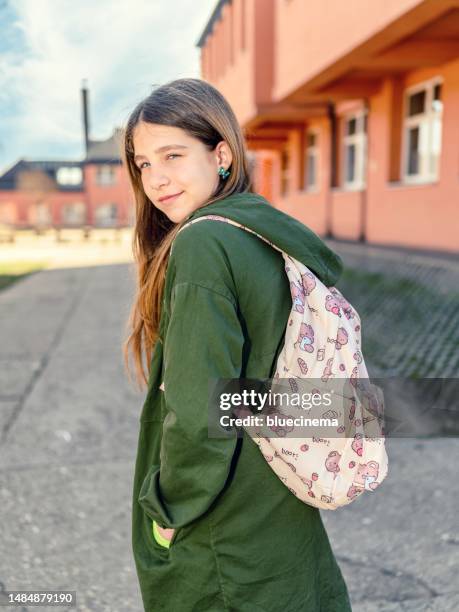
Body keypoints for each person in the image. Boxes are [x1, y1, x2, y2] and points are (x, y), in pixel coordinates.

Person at [123, 77, 352, 612]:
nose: (156, 179)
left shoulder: (205, 241)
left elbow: (200, 407)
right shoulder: (261, 232)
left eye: (173, 155)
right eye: (143, 163)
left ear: (221, 154)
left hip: (221, 520)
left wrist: (168, 514)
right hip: (275, 497)